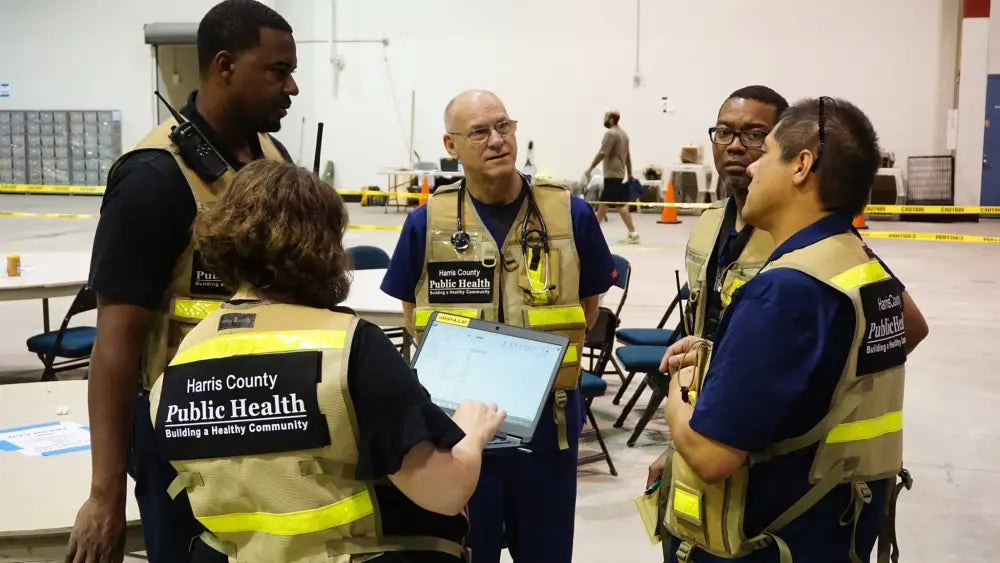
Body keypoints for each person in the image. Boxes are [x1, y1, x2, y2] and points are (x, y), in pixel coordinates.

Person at [146, 159, 506, 563]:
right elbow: (444, 492)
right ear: (326, 244)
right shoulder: (353, 348)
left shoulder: (181, 361)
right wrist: (471, 432)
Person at [68, 1, 299, 561]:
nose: (292, 87)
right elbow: (117, 343)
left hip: (270, 412)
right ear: (224, 66)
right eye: (277, 71)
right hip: (181, 433)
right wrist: (104, 495)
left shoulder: (272, 157)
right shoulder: (151, 180)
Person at [658, 97, 912, 563]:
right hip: (838, 526)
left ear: (801, 166)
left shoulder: (783, 292)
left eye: (765, 151)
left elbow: (712, 459)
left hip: (774, 536)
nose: (751, 168)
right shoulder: (857, 265)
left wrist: (681, 386)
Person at [381, 89, 617, 563]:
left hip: (550, 421)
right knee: (470, 546)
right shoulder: (427, 223)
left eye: (504, 126)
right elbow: (412, 314)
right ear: (451, 146)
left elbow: (589, 304)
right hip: (461, 423)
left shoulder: (569, 214)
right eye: (480, 132)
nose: (497, 140)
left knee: (546, 549)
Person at [585, 110, 640, 243]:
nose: (604, 120)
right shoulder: (624, 135)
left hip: (611, 173)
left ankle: (592, 233)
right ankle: (632, 233)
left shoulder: (611, 134)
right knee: (608, 205)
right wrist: (630, 173)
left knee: (610, 204)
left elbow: (603, 152)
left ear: (611, 119)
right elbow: (628, 157)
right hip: (619, 173)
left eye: (605, 117)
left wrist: (591, 167)